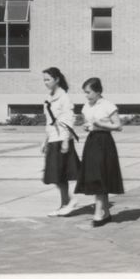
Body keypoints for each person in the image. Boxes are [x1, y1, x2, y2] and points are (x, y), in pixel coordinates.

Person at [74, 77, 125, 227]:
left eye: (89, 92)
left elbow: (118, 126)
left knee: (99, 175)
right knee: (95, 175)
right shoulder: (86, 106)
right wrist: (86, 126)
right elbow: (88, 121)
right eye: (85, 93)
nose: (87, 95)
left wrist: (101, 124)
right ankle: (106, 213)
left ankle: (98, 214)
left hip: (104, 142)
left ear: (98, 91)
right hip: (92, 141)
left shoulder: (108, 105)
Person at [40, 67, 82, 216]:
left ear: (57, 79)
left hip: (61, 140)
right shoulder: (49, 97)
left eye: (48, 79)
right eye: (44, 80)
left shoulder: (64, 97)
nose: (45, 82)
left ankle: (69, 201)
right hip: (53, 138)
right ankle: (65, 203)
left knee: (58, 175)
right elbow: (49, 121)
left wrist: (65, 141)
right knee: (56, 175)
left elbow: (68, 119)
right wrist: (45, 141)